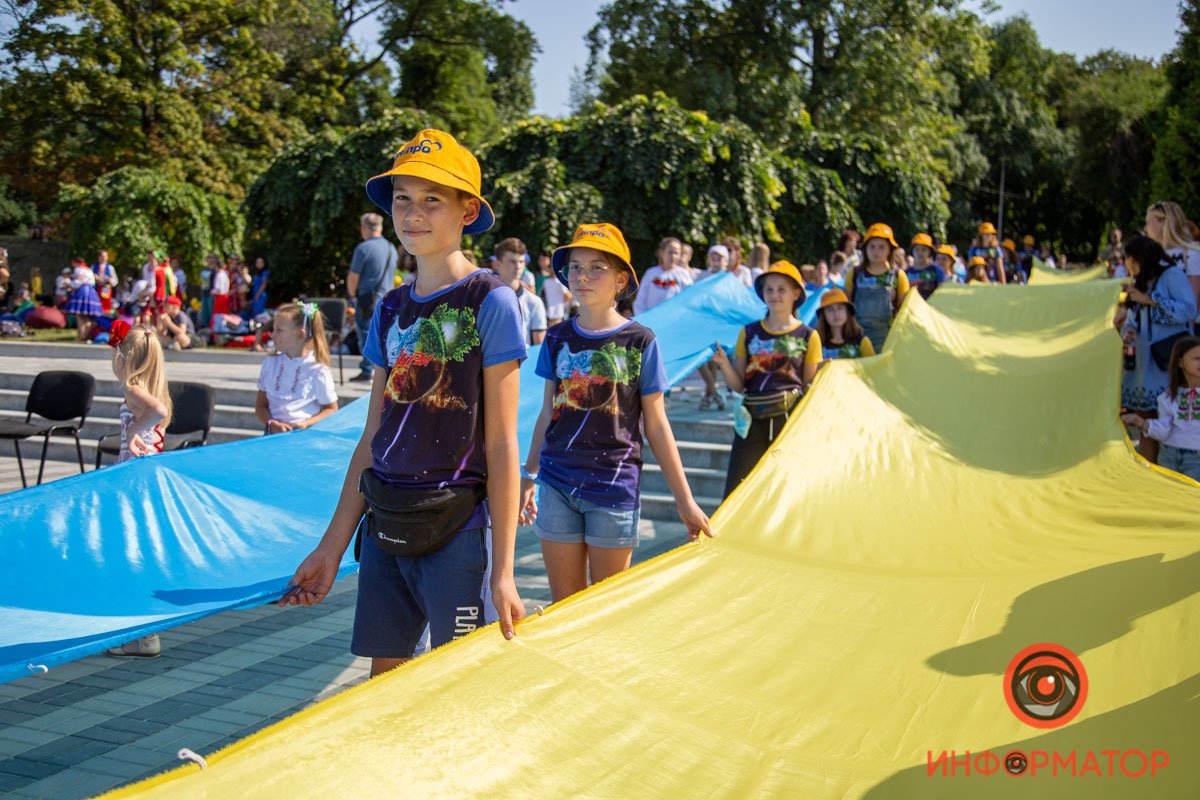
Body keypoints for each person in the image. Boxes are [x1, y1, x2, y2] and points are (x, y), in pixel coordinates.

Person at [279, 128, 527, 676]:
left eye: (432, 199)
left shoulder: (491, 300)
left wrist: (504, 572)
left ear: (468, 211)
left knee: (457, 686)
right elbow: (374, 436)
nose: (413, 214)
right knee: (383, 685)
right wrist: (330, 549)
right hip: (386, 525)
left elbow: (503, 444)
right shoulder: (391, 308)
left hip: (459, 530)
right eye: (402, 199)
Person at [518, 223, 712, 602]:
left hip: (613, 486)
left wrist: (685, 499)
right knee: (564, 606)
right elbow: (546, 414)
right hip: (556, 484)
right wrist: (529, 474)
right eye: (575, 267)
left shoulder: (641, 341)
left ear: (621, 280)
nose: (582, 276)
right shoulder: (557, 338)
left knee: (604, 608)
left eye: (596, 268)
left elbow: (657, 425)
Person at [711, 261, 822, 498]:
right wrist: (724, 364)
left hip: (789, 420)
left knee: (788, 492)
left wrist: (825, 376)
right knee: (737, 491)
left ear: (796, 294)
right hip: (752, 419)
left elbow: (809, 387)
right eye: (769, 289)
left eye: (782, 289)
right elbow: (739, 385)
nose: (774, 295)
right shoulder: (749, 332)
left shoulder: (809, 335)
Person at [104, 320, 172, 657]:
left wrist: (132, 433)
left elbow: (158, 412)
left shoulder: (133, 389)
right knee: (140, 550)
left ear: (125, 357)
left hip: (133, 479)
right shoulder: (154, 389)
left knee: (130, 552)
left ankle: (142, 635)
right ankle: (146, 634)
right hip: (145, 477)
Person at [1119, 234, 1198, 463]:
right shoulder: (1140, 281)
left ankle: (1175, 469)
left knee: (1170, 420)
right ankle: (1148, 472)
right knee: (1145, 421)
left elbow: (1189, 310)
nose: (1127, 263)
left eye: (1129, 258)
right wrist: (1127, 331)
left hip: (1166, 362)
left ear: (1138, 258)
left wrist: (1152, 300)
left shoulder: (1172, 276)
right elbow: (1133, 316)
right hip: (1143, 365)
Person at [1123, 336, 1200, 482]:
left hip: (1196, 459)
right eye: (1197, 358)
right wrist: (1141, 422)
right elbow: (1164, 430)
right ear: (1180, 362)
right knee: (1170, 495)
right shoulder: (1169, 395)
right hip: (1169, 456)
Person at [256, 302, 339, 433]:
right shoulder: (270, 364)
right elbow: (260, 406)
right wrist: (271, 423)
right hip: (273, 436)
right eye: (274, 329)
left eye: (279, 330)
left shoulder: (317, 370)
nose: (273, 335)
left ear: (300, 335)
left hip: (303, 438)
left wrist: (306, 423)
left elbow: (331, 409)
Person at [346, 212, 398, 382]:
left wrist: (352, 296)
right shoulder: (391, 248)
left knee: (366, 334)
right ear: (380, 227)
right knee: (386, 335)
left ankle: (367, 370)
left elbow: (353, 276)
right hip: (389, 299)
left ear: (364, 228)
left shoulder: (363, 248)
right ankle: (385, 372)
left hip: (367, 299)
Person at [844, 223, 910, 350]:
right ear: (865, 248)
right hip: (857, 338)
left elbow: (904, 312)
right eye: (872, 246)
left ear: (889, 250)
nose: (876, 251)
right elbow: (846, 307)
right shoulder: (854, 274)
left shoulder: (899, 276)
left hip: (888, 341)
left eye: (881, 247)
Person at [1144, 201, 1200, 310]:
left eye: (1148, 222)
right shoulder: (1151, 256)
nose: (1145, 228)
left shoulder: (1192, 254)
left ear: (1163, 222)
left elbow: (1193, 304)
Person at [494, 237, 546, 345]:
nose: (518, 266)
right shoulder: (484, 297)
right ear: (498, 264)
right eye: (512, 262)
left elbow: (539, 346)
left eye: (521, 262)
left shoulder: (534, 302)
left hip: (523, 356)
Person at [633, 237, 694, 315]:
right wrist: (642, 318)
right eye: (670, 252)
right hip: (650, 319)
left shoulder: (683, 274)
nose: (673, 256)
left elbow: (690, 299)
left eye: (676, 253)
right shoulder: (651, 273)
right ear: (662, 253)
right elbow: (640, 300)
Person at [815, 288, 875, 361]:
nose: (836, 314)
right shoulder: (817, 343)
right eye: (830, 310)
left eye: (840, 308)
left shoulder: (862, 341)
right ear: (823, 315)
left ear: (847, 311)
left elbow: (873, 366)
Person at [64, 257, 102, 341]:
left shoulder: (78, 269)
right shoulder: (89, 270)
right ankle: (86, 335)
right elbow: (93, 282)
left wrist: (68, 283)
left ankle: (81, 335)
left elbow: (77, 283)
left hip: (82, 291)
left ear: (75, 262)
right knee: (86, 317)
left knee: (80, 315)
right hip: (91, 291)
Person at [905, 233, 945, 299]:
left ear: (930, 252)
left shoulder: (937, 270)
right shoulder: (906, 272)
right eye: (917, 249)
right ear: (912, 252)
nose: (920, 253)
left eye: (924, 249)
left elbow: (942, 295)